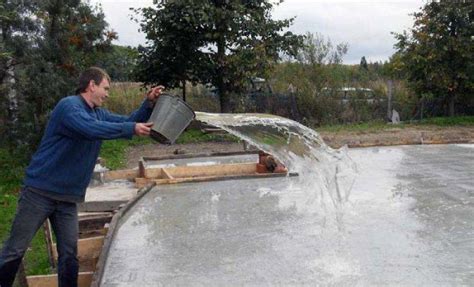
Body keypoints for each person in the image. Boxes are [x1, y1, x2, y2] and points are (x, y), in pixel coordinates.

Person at [0, 67, 164, 287]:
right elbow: (90, 129)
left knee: (69, 255)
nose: (107, 94)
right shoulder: (69, 107)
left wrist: (148, 104)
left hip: (68, 199)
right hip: (40, 193)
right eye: (105, 88)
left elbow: (127, 120)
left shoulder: (98, 113)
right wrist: (131, 128)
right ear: (91, 85)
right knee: (15, 249)